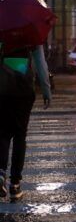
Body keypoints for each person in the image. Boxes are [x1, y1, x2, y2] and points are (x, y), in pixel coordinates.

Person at [0, 44, 51, 201]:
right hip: (24, 90)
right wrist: (46, 89)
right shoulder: (31, 34)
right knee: (20, 136)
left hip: (3, 89)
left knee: (2, 133)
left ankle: (0, 173)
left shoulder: (3, 31)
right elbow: (41, 64)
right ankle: (15, 185)